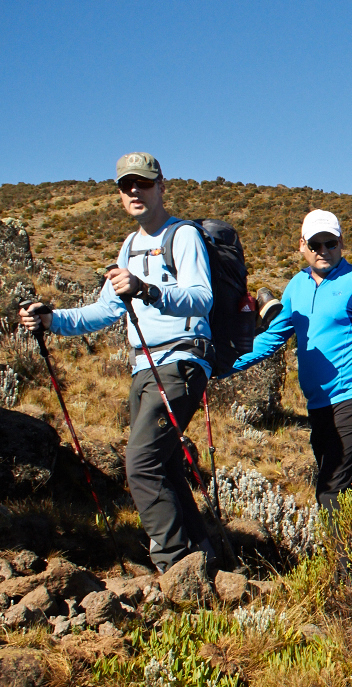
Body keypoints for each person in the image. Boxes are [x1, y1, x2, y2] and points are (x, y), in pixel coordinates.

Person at [19, 152, 217, 572]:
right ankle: (204, 559)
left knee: (141, 463)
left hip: (180, 363)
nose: (134, 191)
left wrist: (148, 290)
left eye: (142, 183)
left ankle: (174, 565)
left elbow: (202, 298)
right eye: (127, 186)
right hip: (142, 367)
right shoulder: (128, 245)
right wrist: (51, 319)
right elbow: (105, 310)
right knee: (164, 466)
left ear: (161, 186)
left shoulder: (182, 235)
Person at [227, 209, 352, 522]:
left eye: (330, 243)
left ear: (341, 243)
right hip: (318, 405)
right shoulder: (297, 286)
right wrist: (223, 366)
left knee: (331, 489)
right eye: (315, 244)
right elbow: (273, 337)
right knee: (342, 487)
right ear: (302, 246)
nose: (323, 251)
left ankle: (339, 555)